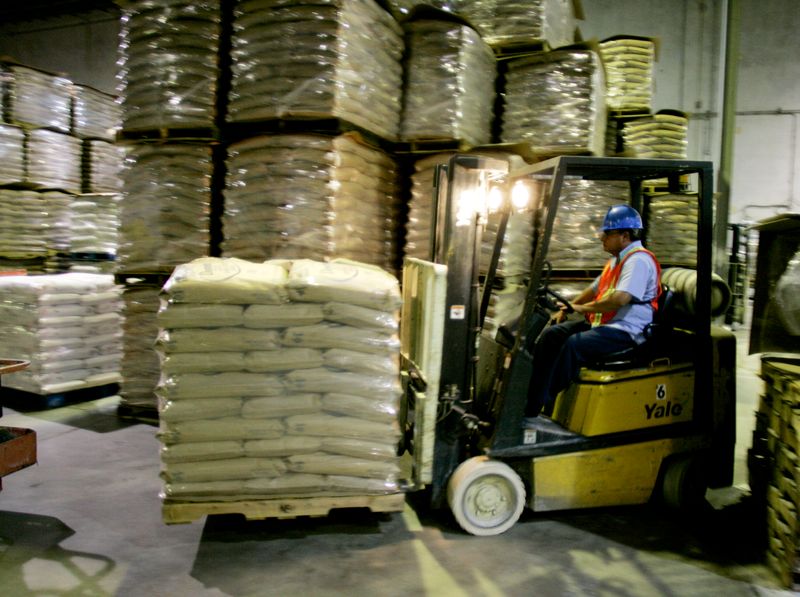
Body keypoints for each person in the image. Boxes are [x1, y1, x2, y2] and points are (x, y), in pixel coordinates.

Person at [526, 204, 662, 417]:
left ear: (625, 235)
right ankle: (529, 398)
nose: (602, 238)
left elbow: (619, 299)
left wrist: (579, 308)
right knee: (552, 335)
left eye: (607, 233)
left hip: (627, 331)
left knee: (574, 345)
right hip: (607, 324)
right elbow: (594, 289)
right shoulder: (616, 261)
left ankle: (542, 404)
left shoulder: (638, 261)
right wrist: (566, 308)